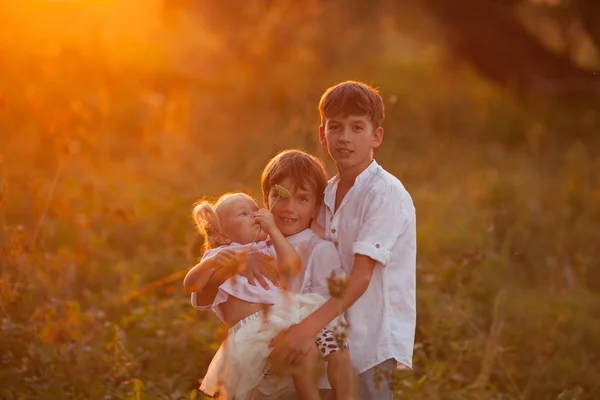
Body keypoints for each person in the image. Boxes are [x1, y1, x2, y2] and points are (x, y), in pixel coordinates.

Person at [269, 81, 417, 400]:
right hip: (330, 337)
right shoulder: (328, 191)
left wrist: (305, 328)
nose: (344, 137)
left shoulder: (385, 194)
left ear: (376, 136)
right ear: (323, 135)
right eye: (335, 127)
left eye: (357, 127)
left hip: (370, 339)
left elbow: (361, 276)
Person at [185, 151, 354, 399]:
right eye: (244, 213)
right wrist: (230, 265)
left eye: (302, 199)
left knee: (333, 349)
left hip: (295, 321)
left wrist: (271, 230)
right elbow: (196, 289)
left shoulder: (274, 246)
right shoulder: (226, 253)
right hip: (258, 333)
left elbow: (293, 266)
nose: (254, 215)